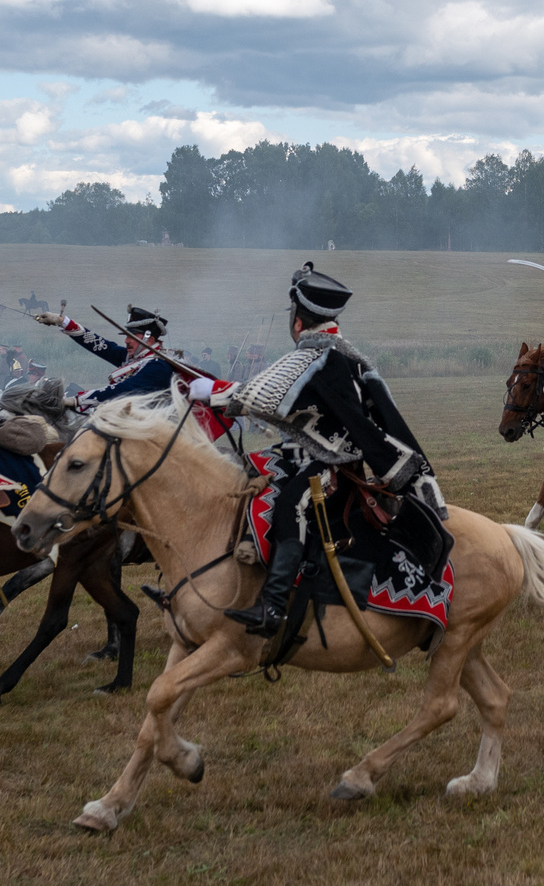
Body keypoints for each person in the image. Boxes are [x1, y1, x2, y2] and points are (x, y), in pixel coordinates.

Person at [190, 263, 446, 639]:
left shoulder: (317, 357)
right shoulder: (343, 355)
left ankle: (274, 606)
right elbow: (279, 389)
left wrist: (212, 393)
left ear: (298, 321)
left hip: (332, 466)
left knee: (291, 504)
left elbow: (266, 392)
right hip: (313, 455)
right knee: (248, 472)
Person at [37, 303, 184, 402]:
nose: (126, 341)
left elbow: (123, 389)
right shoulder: (135, 358)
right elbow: (100, 345)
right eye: (127, 336)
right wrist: (62, 321)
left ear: (150, 339)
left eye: (132, 337)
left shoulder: (159, 366)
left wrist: (78, 400)